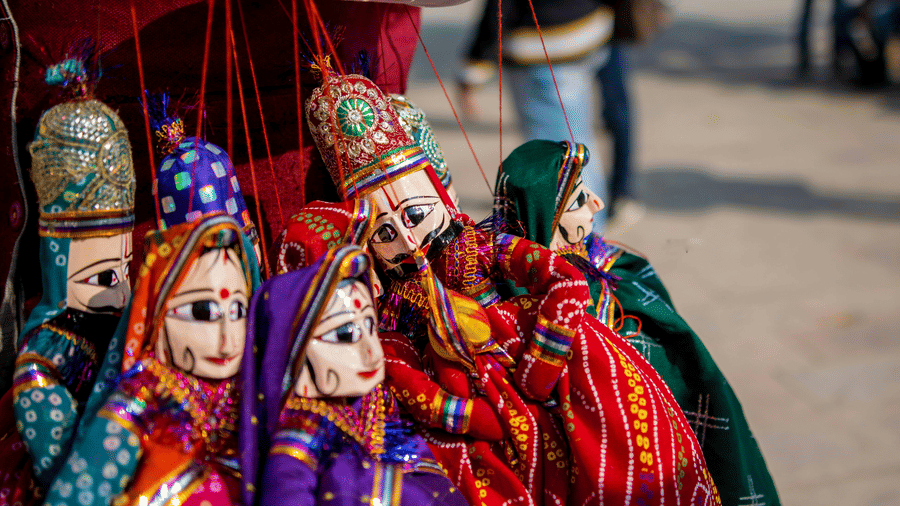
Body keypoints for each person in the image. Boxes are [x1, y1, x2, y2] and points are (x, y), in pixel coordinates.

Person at [306, 71, 721, 506]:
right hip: (468, 405)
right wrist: (470, 415)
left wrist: (539, 365)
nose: (409, 242)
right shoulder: (391, 304)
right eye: (385, 235)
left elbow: (564, 281)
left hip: (540, 365)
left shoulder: (484, 247)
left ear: (442, 200)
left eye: (414, 216)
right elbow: (402, 373)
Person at [496, 139, 783, 506]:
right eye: (579, 200)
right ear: (543, 218)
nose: (597, 203)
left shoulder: (618, 273)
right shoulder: (520, 318)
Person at [45, 213, 255, 506]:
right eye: (202, 312)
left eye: (238, 312)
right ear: (156, 315)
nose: (228, 341)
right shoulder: (145, 393)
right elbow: (83, 490)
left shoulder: (250, 391)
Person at [0, 52, 136, 504]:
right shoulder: (43, 359)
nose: (122, 289)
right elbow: (61, 463)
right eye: (102, 276)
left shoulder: (114, 322)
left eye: (127, 269)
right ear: (59, 266)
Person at [239, 245, 468, 506]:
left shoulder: (375, 411)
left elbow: (433, 482)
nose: (372, 351)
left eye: (370, 326)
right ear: (293, 352)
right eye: (346, 334)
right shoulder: (301, 436)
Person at [457, 0, 614, 233]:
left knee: (560, 160)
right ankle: (590, 240)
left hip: (547, 49)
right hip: (586, 31)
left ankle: (585, 246)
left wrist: (474, 67)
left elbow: (501, 6)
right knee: (577, 143)